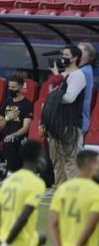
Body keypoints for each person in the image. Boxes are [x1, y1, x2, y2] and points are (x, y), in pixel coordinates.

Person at [42, 45, 86, 187]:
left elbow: (69, 98)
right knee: (57, 162)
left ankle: (72, 193)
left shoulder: (77, 75)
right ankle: (60, 191)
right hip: (56, 124)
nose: (63, 58)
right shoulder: (62, 76)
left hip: (69, 124)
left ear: (75, 58)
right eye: (63, 55)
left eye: (66, 55)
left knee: (70, 161)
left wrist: (52, 96)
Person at [0, 73, 34, 176]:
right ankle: (3, 167)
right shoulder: (6, 103)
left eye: (13, 87)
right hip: (5, 136)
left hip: (20, 137)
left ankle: (10, 173)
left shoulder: (27, 104)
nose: (11, 89)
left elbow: (25, 128)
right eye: (9, 87)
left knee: (10, 140)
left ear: (21, 88)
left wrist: (13, 135)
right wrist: (7, 117)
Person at [78, 42, 96, 134]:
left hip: (78, 120)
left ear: (84, 57)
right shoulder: (86, 69)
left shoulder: (83, 71)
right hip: (79, 119)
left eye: (79, 51)